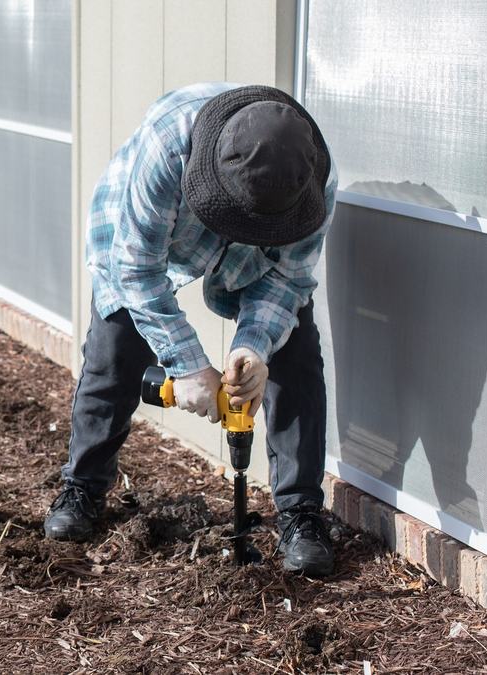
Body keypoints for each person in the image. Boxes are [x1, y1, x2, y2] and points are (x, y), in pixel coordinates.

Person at [43, 83, 338, 576]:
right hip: (140, 238)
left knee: (297, 351)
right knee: (116, 349)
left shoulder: (311, 179)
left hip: (258, 252)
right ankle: (82, 486)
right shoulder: (169, 145)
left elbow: (289, 277)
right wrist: (186, 367)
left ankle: (301, 511)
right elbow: (135, 270)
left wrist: (254, 349)